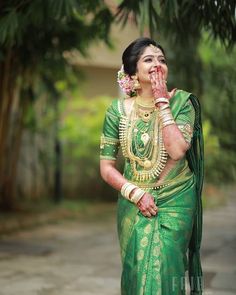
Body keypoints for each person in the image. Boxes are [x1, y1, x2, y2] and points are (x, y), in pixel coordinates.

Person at [100, 37, 204, 295]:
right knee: (136, 272)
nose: (157, 64)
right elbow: (106, 167)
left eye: (162, 60)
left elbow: (178, 151)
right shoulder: (117, 111)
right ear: (132, 71)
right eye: (149, 59)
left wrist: (161, 101)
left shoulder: (182, 103)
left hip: (176, 199)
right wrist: (136, 194)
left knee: (168, 270)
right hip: (134, 202)